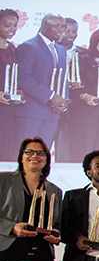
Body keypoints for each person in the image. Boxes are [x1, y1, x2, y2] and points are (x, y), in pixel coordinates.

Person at [14, 14, 68, 146]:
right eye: (56, 26)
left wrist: (63, 100)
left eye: (62, 26)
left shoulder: (61, 50)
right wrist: (50, 96)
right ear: (43, 26)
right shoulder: (28, 47)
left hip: (53, 113)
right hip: (32, 112)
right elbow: (23, 78)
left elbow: (62, 78)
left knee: (43, 155)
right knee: (25, 153)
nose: (60, 29)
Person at [55, 18, 88, 163]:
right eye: (67, 31)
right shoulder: (52, 50)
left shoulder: (85, 54)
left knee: (73, 141)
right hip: (52, 101)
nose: (71, 34)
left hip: (77, 105)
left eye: (74, 31)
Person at [0, 9, 20, 161]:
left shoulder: (12, 48)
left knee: (7, 148)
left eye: (14, 25)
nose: (12, 29)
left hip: (9, 107)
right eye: (7, 25)